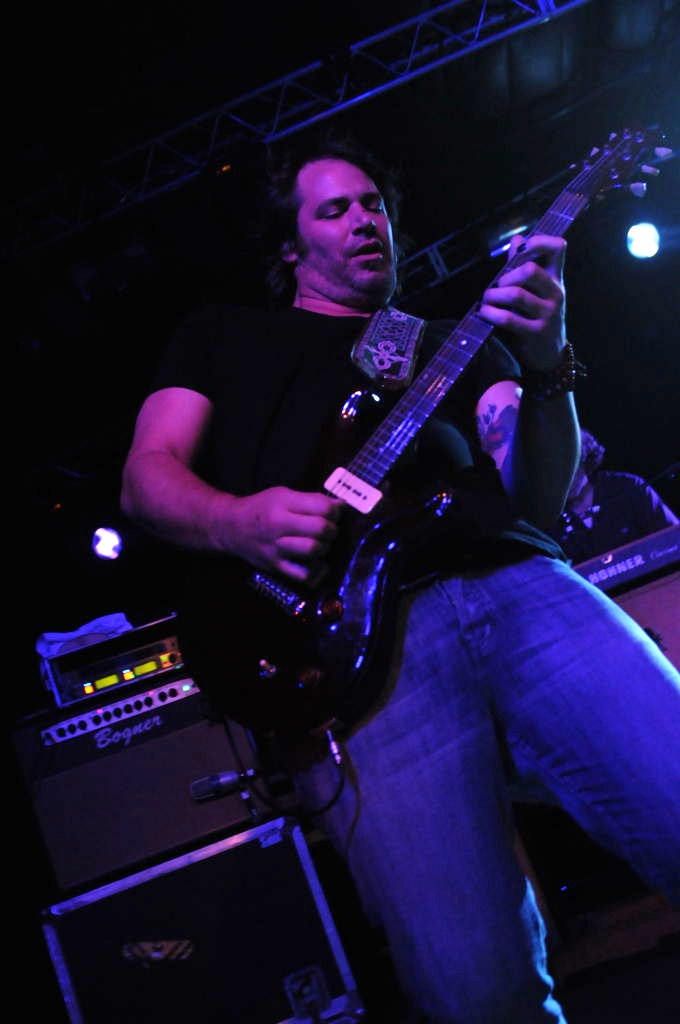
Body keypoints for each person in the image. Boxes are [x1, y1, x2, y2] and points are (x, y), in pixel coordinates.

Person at [120, 135, 680, 1023]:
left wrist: (548, 364)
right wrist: (238, 520)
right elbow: (146, 478)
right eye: (335, 209)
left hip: (514, 585)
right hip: (350, 658)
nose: (364, 220)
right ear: (289, 247)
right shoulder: (221, 337)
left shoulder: (449, 343)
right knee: (477, 991)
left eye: (373, 204)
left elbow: (537, 492)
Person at [551, 427, 679, 563]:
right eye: (553, 473)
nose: (562, 480)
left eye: (568, 468)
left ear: (584, 459)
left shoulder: (628, 487)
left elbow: (674, 539)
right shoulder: (550, 519)